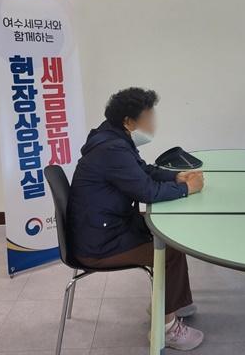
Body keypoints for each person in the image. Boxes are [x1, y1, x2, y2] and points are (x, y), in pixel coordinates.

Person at [67, 87, 205, 351]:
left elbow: (143, 171)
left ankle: (171, 302)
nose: (153, 124)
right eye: (148, 117)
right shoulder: (112, 149)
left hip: (103, 225)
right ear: (129, 121)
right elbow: (147, 191)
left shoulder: (111, 136)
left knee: (170, 234)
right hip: (99, 244)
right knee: (170, 250)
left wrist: (176, 177)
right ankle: (167, 329)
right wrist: (187, 188)